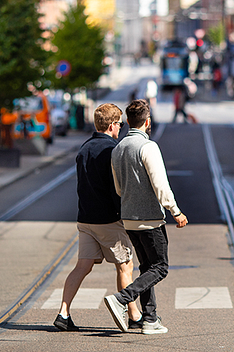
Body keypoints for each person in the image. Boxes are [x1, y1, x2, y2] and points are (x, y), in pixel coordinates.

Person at [53, 103, 142, 332]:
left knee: (82, 266)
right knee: (125, 266)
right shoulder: (112, 150)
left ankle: (63, 313)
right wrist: (123, 216)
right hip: (108, 220)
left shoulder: (84, 148)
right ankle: (133, 315)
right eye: (120, 124)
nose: (121, 128)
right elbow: (116, 189)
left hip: (85, 219)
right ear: (112, 125)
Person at [105, 99, 188, 334]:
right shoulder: (148, 146)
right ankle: (122, 298)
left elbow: (118, 187)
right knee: (160, 267)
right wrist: (176, 211)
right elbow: (160, 185)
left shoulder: (118, 148)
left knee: (147, 267)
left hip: (129, 218)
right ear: (147, 122)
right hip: (150, 218)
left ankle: (150, 319)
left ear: (128, 122)